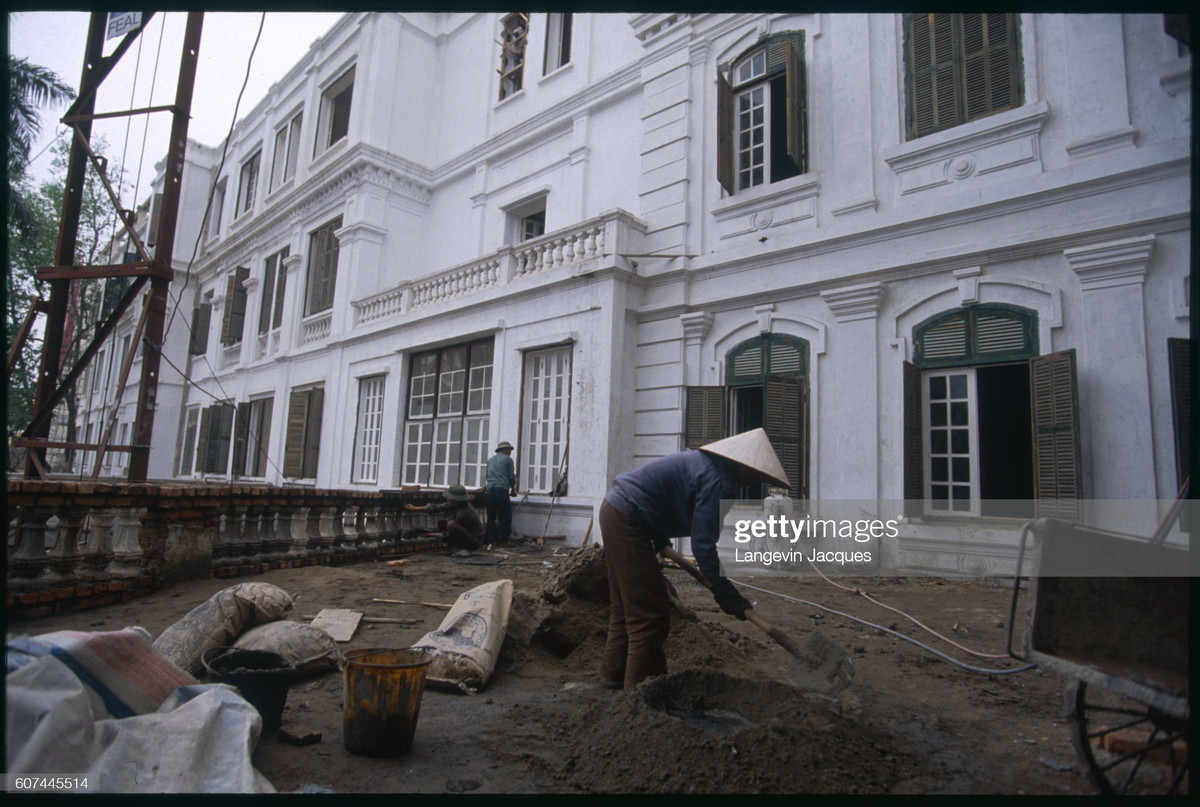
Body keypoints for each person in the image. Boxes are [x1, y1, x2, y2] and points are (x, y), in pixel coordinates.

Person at [598, 428, 790, 690]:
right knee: (650, 614)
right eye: (755, 474)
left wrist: (659, 536)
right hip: (627, 518)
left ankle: (614, 674)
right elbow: (703, 545)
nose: (755, 481)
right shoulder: (718, 481)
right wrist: (725, 591)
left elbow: (659, 495)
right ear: (742, 464)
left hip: (616, 510)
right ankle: (642, 695)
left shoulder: (704, 464)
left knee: (626, 605)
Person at [405, 484, 484, 553]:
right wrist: (416, 508)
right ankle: (454, 546)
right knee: (443, 523)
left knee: (451, 525)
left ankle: (463, 549)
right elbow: (437, 507)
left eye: (450, 499)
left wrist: (430, 535)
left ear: (456, 500)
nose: (447, 500)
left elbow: (449, 533)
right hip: (467, 535)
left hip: (474, 541)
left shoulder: (464, 514)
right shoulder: (458, 504)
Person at [485, 441, 518, 545]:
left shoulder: (490, 460)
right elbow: (511, 477)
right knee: (505, 515)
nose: (510, 452)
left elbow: (487, 475)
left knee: (491, 515)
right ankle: (503, 539)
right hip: (501, 489)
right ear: (504, 450)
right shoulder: (508, 460)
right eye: (509, 450)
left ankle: (491, 538)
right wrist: (513, 489)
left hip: (490, 489)